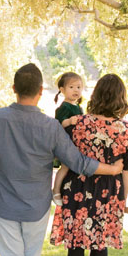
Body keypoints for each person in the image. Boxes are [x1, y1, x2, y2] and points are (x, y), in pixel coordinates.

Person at [0, 63, 123, 256]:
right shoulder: (49, 126)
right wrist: (112, 169)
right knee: (31, 255)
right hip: (37, 204)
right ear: (41, 91)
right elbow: (78, 162)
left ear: (14, 89)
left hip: (4, 202)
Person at [50, 74, 128, 256]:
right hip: (108, 195)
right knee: (99, 245)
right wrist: (121, 200)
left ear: (97, 95)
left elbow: (65, 158)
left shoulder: (77, 124)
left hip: (76, 192)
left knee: (76, 246)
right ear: (121, 98)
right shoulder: (127, 130)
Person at [51, 71, 85, 203]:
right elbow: (60, 123)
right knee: (65, 167)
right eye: (71, 87)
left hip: (77, 143)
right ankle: (56, 191)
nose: (75, 90)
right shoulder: (64, 107)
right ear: (62, 90)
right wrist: (70, 121)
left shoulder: (78, 107)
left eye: (78, 87)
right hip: (66, 142)